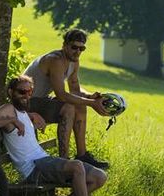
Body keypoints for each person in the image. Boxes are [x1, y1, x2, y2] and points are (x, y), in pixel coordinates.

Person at [0, 75, 110, 196]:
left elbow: (22, 115)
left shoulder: (23, 112)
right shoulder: (8, 109)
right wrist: (11, 121)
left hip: (43, 161)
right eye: (22, 92)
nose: (26, 96)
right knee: (77, 167)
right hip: (33, 167)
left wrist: (30, 115)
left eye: (30, 92)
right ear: (11, 92)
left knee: (100, 177)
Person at [23, 28, 111, 170]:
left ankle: (82, 155)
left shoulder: (74, 62)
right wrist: (92, 103)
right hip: (27, 102)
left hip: (41, 99)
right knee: (69, 107)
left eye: (82, 48)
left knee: (79, 105)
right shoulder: (55, 60)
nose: (77, 51)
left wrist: (90, 97)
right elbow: (62, 95)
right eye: (74, 47)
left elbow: (75, 89)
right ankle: (63, 160)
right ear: (64, 45)